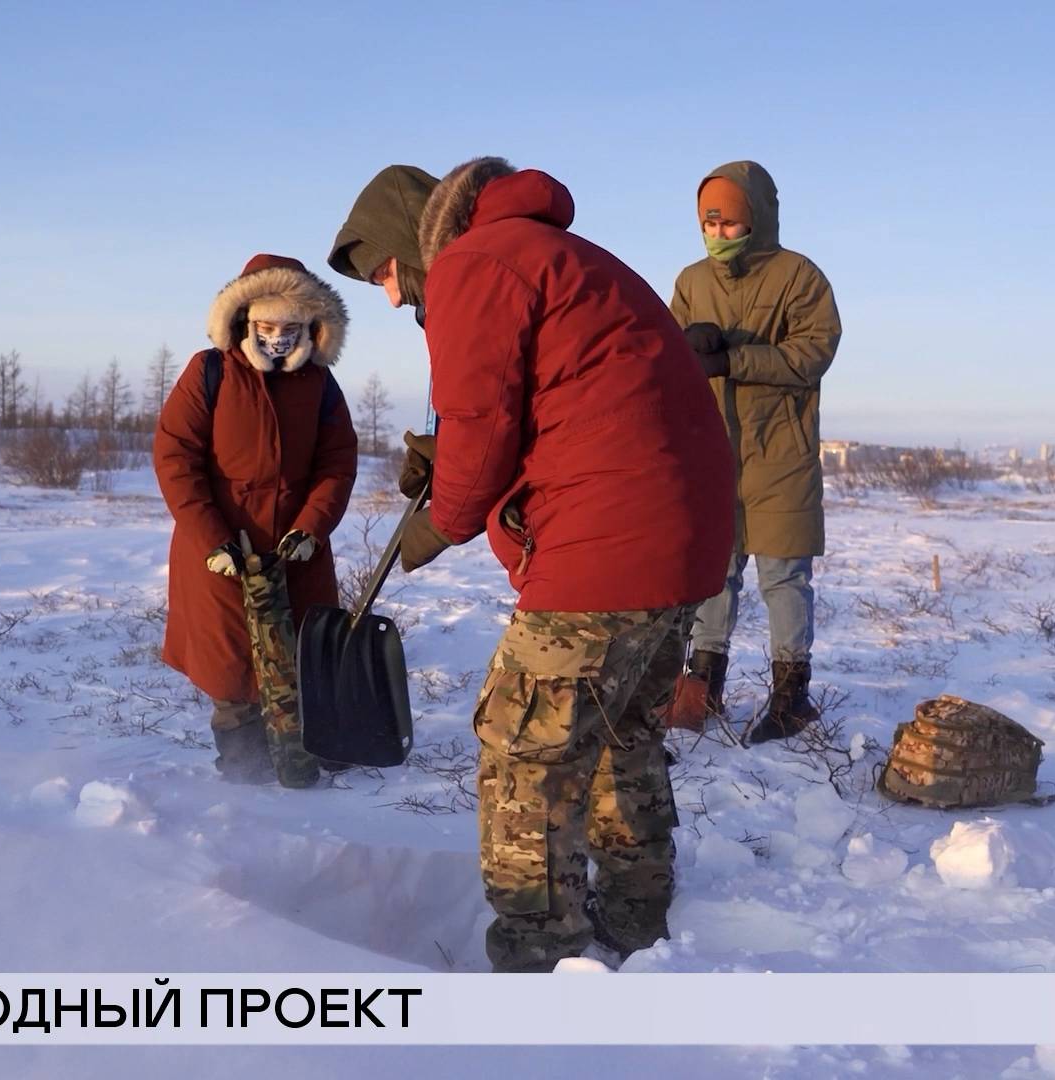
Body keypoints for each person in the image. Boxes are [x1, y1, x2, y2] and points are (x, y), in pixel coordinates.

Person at [330, 156, 735, 971]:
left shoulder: (472, 265)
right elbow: (562, 401)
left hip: (606, 547)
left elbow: (481, 448)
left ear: (417, 240)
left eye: (384, 271)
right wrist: (450, 455)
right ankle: (634, 918)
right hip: (683, 542)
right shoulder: (559, 254)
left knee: (524, 753)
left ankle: (534, 960)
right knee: (622, 733)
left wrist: (434, 522)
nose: (394, 295)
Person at [154, 254, 358, 788]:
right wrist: (212, 539)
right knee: (232, 667)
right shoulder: (210, 371)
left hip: (296, 553)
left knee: (302, 659)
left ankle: (302, 762)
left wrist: (313, 526)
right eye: (266, 327)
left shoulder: (320, 384)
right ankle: (245, 780)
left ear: (310, 327)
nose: (277, 339)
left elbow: (337, 461)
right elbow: (176, 458)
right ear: (244, 320)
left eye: (289, 328)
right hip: (223, 553)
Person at [668, 161, 841, 745]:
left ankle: (791, 698)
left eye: (730, 224)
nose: (718, 236)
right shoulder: (692, 283)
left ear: (758, 219)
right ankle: (702, 687)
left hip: (779, 454)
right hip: (713, 451)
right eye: (708, 224)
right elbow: (666, 355)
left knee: (782, 578)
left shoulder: (800, 277)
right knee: (713, 575)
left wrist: (733, 357)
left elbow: (811, 354)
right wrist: (685, 349)